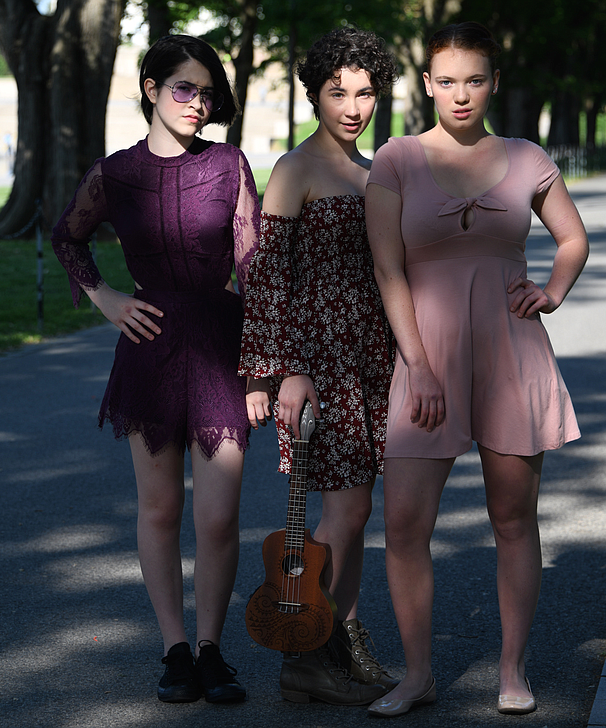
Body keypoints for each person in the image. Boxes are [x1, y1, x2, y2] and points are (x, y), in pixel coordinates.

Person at [364, 21, 589, 717]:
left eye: (476, 79)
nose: (461, 94)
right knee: (403, 523)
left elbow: (572, 238)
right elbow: (387, 266)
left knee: (513, 516)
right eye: (447, 80)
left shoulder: (526, 158)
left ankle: (512, 670)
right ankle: (417, 675)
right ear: (428, 84)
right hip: (424, 356)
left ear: (494, 82)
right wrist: (418, 365)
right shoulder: (397, 158)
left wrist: (552, 290)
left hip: (510, 352)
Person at [51, 35, 260, 705]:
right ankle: (174, 649)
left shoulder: (230, 166)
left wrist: (264, 369)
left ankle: (211, 649)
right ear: (150, 88)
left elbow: (254, 270)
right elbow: (67, 236)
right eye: (183, 89)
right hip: (149, 350)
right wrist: (105, 297)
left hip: (223, 349)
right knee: (161, 507)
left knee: (219, 518)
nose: (197, 103)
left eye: (206, 92)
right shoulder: (114, 174)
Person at [239, 27, 398, 706]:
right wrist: (276, 372)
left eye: (364, 92)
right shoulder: (294, 169)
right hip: (318, 363)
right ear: (315, 94)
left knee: (358, 513)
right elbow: (268, 277)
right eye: (338, 92)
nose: (353, 105)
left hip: (373, 359)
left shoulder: (379, 171)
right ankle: (308, 645)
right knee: (346, 510)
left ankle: (343, 638)